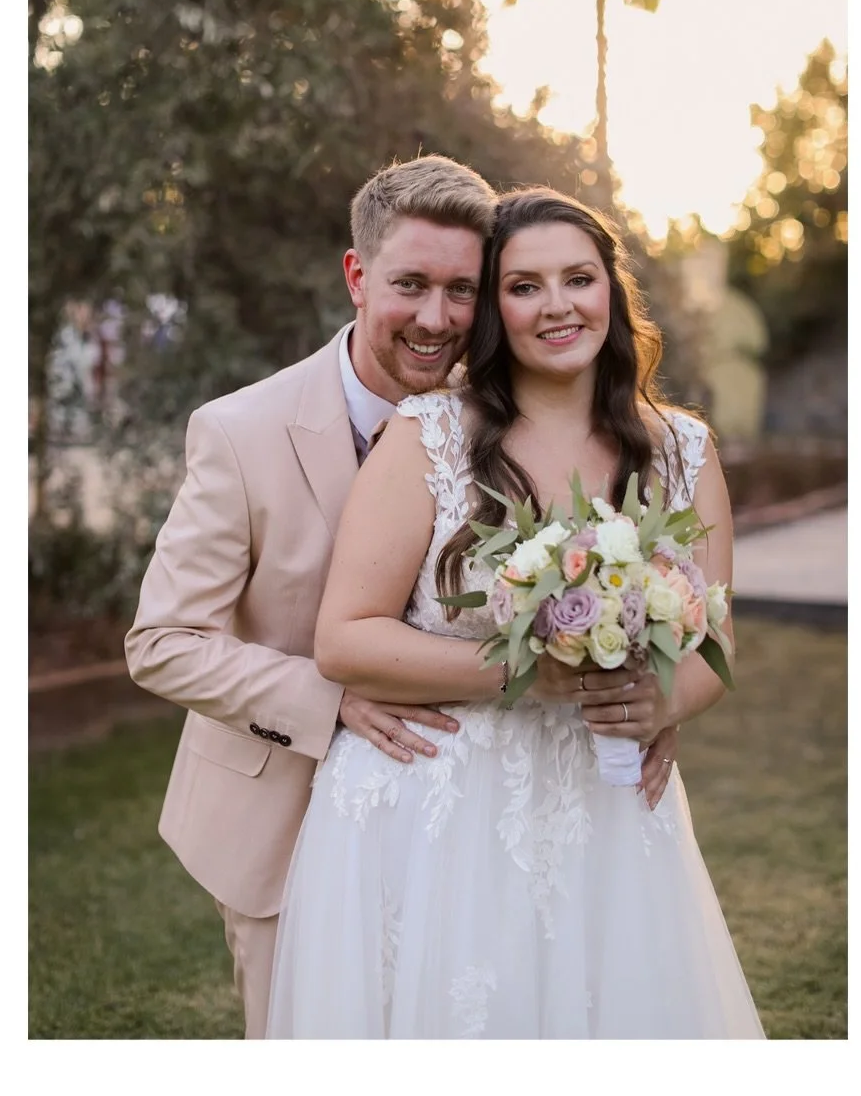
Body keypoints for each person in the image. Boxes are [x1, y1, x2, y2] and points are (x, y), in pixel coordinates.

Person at [125, 158, 682, 1040]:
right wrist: (333, 698)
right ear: (357, 276)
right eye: (410, 285)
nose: (436, 318)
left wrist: (637, 694)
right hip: (279, 817)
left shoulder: (507, 431)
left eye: (462, 290)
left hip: (458, 827)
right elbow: (161, 641)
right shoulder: (239, 431)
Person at [265, 188, 764, 1039]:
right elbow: (344, 640)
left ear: (612, 289)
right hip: (434, 813)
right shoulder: (429, 437)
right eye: (525, 287)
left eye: (579, 278)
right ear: (496, 309)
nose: (558, 305)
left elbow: (712, 637)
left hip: (606, 810)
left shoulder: (682, 449)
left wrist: (664, 703)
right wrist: (530, 674)